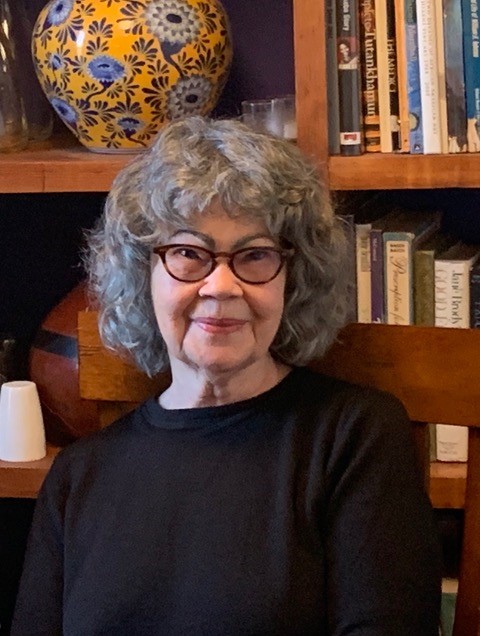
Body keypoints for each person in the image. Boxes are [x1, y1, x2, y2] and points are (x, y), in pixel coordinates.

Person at [12, 116, 441, 635]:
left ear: (293, 279)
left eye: (254, 255)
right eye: (188, 253)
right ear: (142, 274)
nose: (221, 286)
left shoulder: (353, 437)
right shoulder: (78, 476)